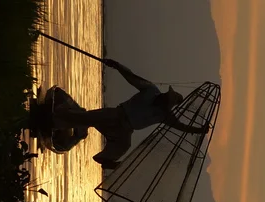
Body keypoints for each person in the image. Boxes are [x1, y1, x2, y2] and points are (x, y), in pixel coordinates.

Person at [52, 58, 206, 169]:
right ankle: (56, 117)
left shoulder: (164, 115)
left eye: (167, 101)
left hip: (126, 130)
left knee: (124, 145)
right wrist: (117, 66)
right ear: (165, 94)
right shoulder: (151, 90)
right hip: (117, 114)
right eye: (166, 97)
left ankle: (104, 159)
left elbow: (182, 127)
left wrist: (199, 130)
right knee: (86, 118)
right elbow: (132, 78)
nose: (164, 100)